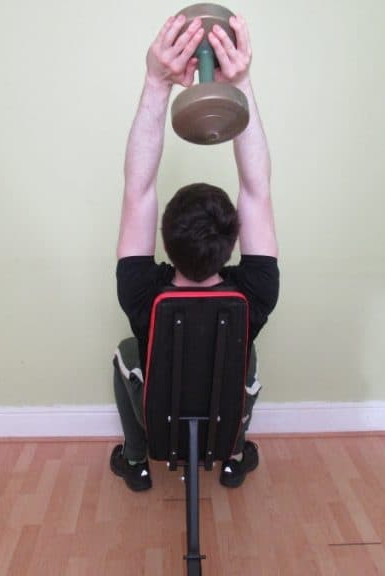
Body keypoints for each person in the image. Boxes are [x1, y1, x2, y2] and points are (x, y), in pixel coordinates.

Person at [110, 13, 279, 491]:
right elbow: (258, 189)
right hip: (221, 421)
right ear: (234, 242)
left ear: (162, 240)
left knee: (126, 352)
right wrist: (240, 82)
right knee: (247, 357)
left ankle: (136, 458)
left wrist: (155, 82)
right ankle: (234, 453)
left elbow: (137, 191)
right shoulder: (256, 293)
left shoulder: (142, 292)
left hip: (159, 424)